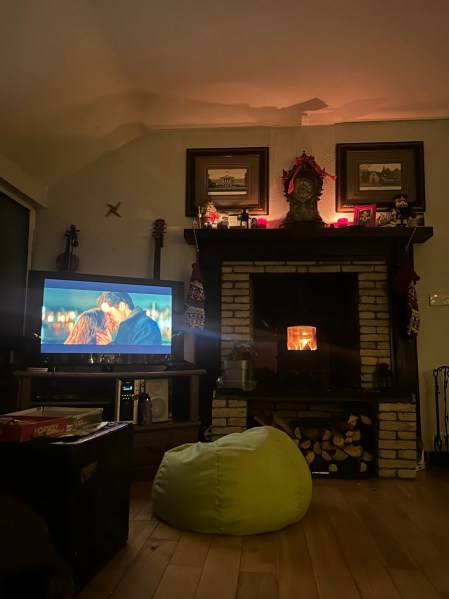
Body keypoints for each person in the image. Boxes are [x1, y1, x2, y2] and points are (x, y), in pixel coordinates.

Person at [96, 291, 162, 345]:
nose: (109, 319)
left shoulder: (145, 324)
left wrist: (110, 345)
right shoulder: (126, 327)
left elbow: (141, 355)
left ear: (122, 306)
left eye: (109, 314)